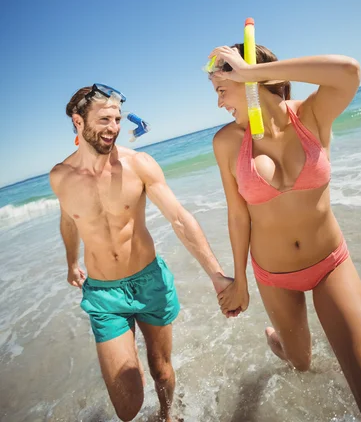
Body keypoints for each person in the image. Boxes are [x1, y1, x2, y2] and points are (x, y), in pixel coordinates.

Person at [208, 45, 361, 422]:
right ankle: (279, 342)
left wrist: (251, 73)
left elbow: (349, 69)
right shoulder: (227, 142)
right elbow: (238, 216)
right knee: (301, 361)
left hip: (330, 265)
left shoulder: (311, 114)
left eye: (220, 89)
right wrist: (241, 281)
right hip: (274, 275)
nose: (218, 104)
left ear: (248, 79)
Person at [50, 83, 236, 422]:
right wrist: (71, 262)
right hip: (105, 295)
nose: (114, 128)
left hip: (150, 282)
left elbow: (180, 219)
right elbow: (68, 221)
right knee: (127, 405)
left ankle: (167, 415)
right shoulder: (61, 177)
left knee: (162, 371)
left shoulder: (140, 164)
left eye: (118, 119)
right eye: (104, 119)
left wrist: (217, 275)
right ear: (79, 122)